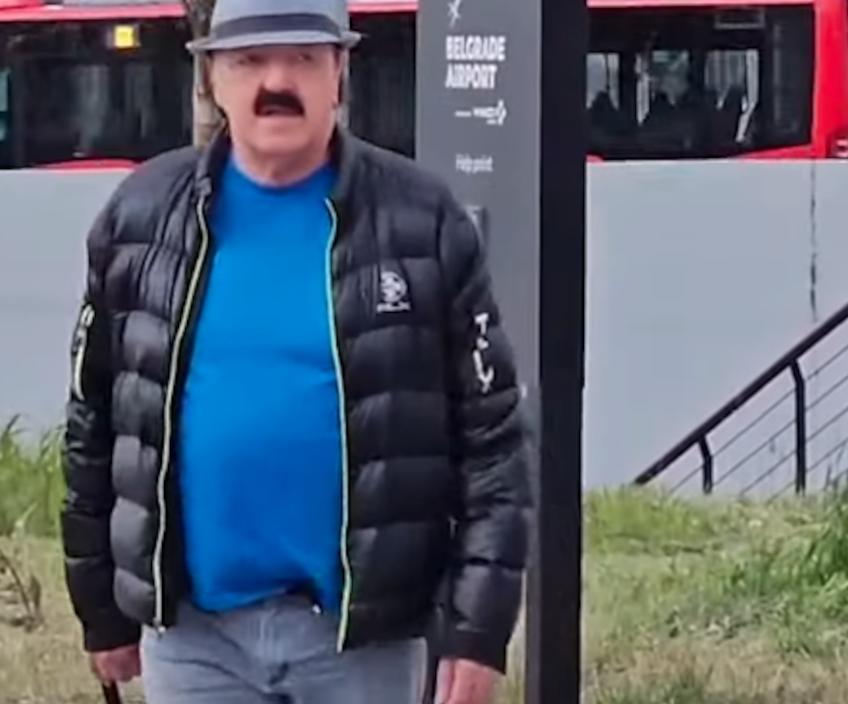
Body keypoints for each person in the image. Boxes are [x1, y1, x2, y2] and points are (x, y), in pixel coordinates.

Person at [60, 0, 532, 702]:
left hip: (361, 641)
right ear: (213, 78)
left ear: (339, 72)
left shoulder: (423, 223)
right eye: (250, 61)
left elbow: (493, 443)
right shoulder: (140, 220)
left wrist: (477, 629)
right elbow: (93, 423)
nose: (276, 82)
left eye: (304, 59)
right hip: (195, 642)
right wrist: (101, 608)